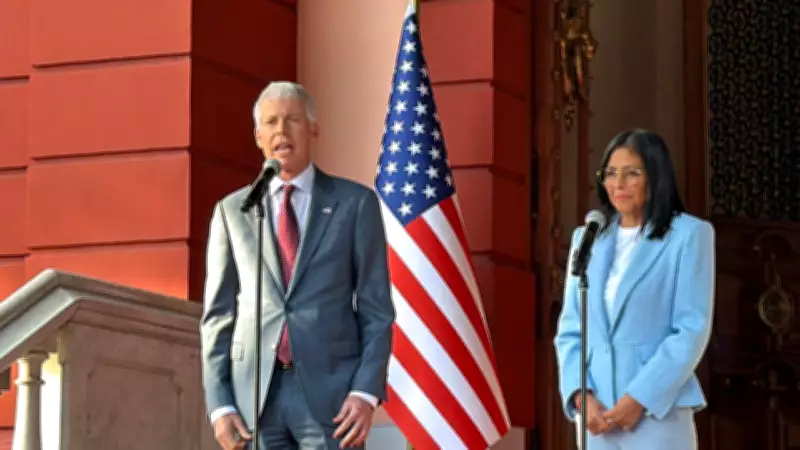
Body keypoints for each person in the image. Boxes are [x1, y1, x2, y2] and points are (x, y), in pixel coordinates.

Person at [200, 81, 395, 450]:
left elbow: (377, 309)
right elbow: (217, 315)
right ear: (258, 137)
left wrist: (365, 392)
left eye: (292, 120)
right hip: (254, 397)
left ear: (313, 129)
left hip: (333, 399)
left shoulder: (355, 204)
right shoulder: (233, 212)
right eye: (271, 122)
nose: (281, 131)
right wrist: (220, 405)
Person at [554, 128, 715, 450]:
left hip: (656, 413)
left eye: (632, 173)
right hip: (597, 419)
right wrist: (581, 396)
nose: (618, 184)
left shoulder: (688, 235)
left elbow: (690, 329)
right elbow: (571, 331)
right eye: (611, 173)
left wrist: (640, 397)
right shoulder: (587, 238)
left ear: (655, 176)